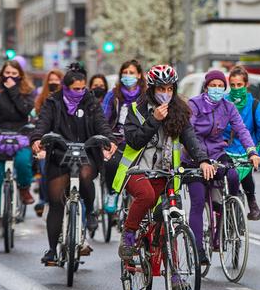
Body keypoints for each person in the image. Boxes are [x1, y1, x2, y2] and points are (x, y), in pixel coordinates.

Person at [113, 65, 216, 278]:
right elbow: (134, 139)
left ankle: (175, 275)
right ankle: (129, 234)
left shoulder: (180, 110)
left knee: (170, 219)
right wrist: (154, 120)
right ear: (151, 89)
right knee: (147, 196)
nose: (166, 94)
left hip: (166, 172)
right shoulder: (135, 109)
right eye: (161, 89)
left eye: (170, 89)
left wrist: (203, 160)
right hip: (137, 170)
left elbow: (190, 138)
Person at [30, 63, 117, 265]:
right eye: (75, 89)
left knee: (86, 176)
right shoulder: (53, 102)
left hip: (86, 152)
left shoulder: (91, 102)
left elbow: (102, 124)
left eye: (82, 88)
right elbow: (42, 124)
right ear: (66, 87)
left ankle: (91, 211)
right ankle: (52, 250)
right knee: (56, 201)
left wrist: (109, 140)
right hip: (59, 154)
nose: (79, 92)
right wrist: (37, 139)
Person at [185, 69, 260, 265]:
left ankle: (228, 210)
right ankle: (199, 251)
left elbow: (241, 129)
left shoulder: (228, 107)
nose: (217, 89)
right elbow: (189, 134)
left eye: (220, 86)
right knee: (198, 199)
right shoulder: (194, 105)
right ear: (206, 86)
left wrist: (252, 151)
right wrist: (201, 159)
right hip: (195, 157)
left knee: (233, 175)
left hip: (217, 152)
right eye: (213, 85)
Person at [0, 60, 36, 237]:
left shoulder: (27, 91)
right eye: (7, 73)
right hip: (0, 135)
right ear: (1, 74)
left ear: (20, 74)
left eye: (14, 73)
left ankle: (24, 188)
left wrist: (13, 91)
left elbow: (26, 111)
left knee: (23, 161)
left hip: (21, 134)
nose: (9, 77)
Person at [225, 66, 260, 221]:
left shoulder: (254, 105)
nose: (236, 88)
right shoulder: (223, 102)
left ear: (246, 85)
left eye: (239, 85)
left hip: (247, 148)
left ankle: (252, 202)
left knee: (246, 176)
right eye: (233, 85)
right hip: (225, 148)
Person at [101, 59, 146, 212]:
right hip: (116, 138)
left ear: (139, 75)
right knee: (111, 163)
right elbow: (103, 119)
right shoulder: (112, 95)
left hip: (140, 138)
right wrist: (108, 139)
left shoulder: (146, 96)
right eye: (125, 73)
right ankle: (113, 193)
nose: (128, 76)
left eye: (131, 73)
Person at [32, 69, 64, 217]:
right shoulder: (41, 100)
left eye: (57, 80)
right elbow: (37, 120)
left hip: (64, 143)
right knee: (45, 169)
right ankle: (44, 198)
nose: (53, 83)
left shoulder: (67, 100)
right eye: (50, 80)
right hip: (46, 142)